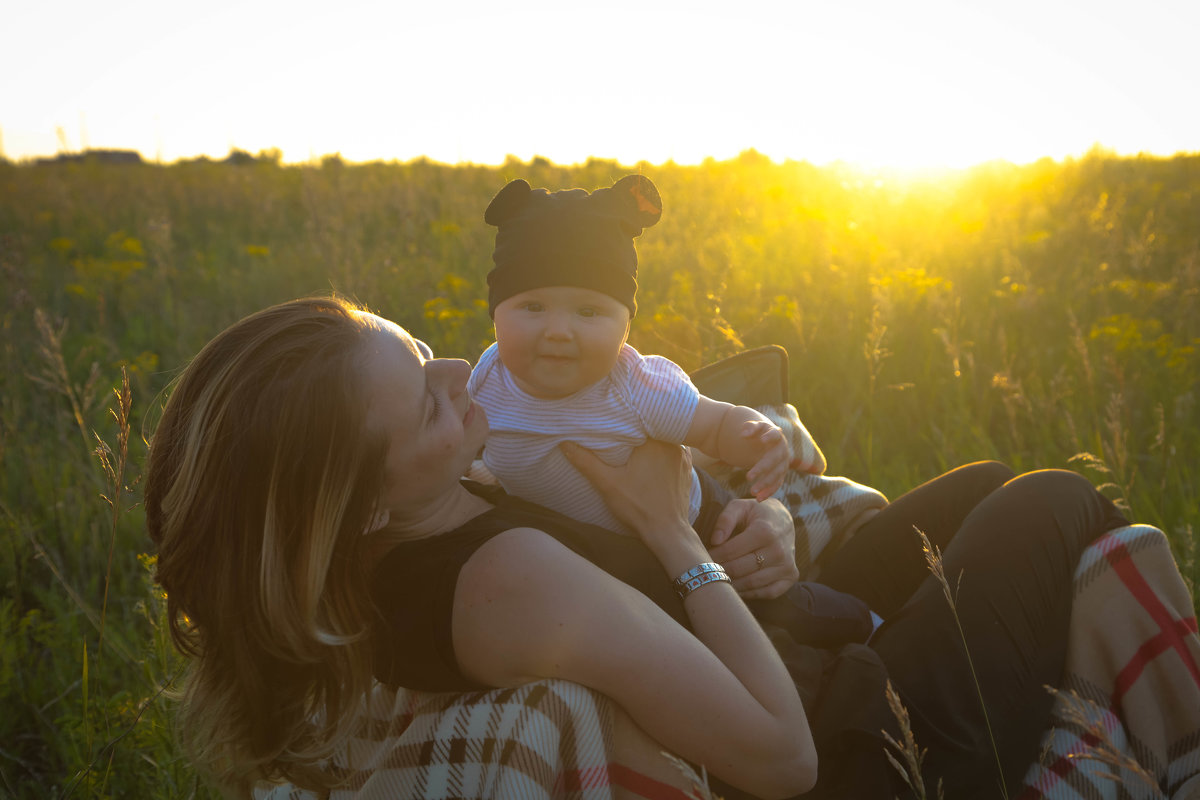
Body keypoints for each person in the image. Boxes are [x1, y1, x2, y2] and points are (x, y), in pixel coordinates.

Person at [146, 296, 1132, 799]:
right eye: (423, 396)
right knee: (1052, 499)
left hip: (793, 646)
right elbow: (782, 759)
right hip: (858, 752)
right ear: (356, 506)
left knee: (979, 488)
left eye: (419, 350)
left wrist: (745, 526)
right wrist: (672, 532)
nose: (458, 369)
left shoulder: (408, 524)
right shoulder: (505, 582)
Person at [468, 175, 803, 542]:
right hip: (571, 553)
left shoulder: (638, 387)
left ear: (625, 327)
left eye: (588, 312)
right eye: (533, 307)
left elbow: (717, 425)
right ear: (495, 316)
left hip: (697, 530)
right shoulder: (487, 377)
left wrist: (760, 441)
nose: (559, 331)